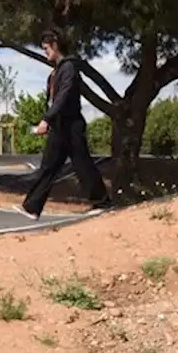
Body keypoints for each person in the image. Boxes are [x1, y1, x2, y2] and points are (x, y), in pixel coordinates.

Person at [16, 29, 112, 219]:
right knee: (48, 167)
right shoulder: (57, 71)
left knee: (83, 165)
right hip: (60, 127)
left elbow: (63, 96)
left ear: (55, 45)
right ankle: (32, 207)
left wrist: (47, 119)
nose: (45, 53)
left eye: (46, 48)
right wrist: (50, 120)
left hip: (71, 126)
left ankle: (102, 202)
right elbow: (54, 99)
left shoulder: (69, 68)